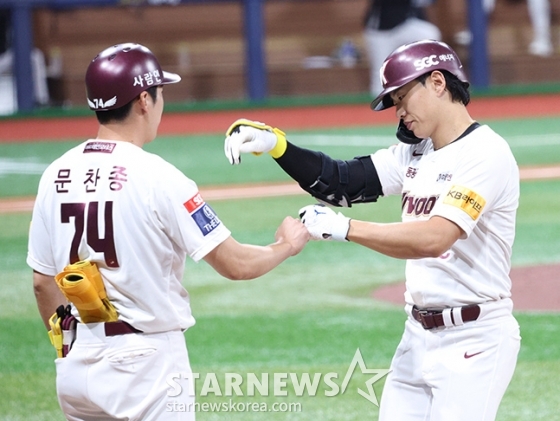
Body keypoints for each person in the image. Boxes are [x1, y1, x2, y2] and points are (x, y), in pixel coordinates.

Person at [224, 39, 521, 420]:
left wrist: (345, 228)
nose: (399, 112)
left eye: (402, 97)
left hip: (475, 339)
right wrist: (278, 145)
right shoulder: (416, 153)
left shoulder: (485, 153)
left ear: (437, 82)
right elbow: (340, 181)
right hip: (417, 335)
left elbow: (435, 238)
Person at [27, 42, 309, 421]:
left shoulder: (55, 174)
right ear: (144, 100)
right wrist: (286, 245)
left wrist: (69, 349)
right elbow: (236, 264)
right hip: (146, 368)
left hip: (78, 364)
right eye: (160, 92)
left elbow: (42, 283)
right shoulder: (158, 176)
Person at [362, 0, 441, 96]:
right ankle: (379, 101)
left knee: (429, 34)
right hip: (381, 32)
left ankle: (428, 86)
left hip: (404, 24)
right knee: (381, 76)